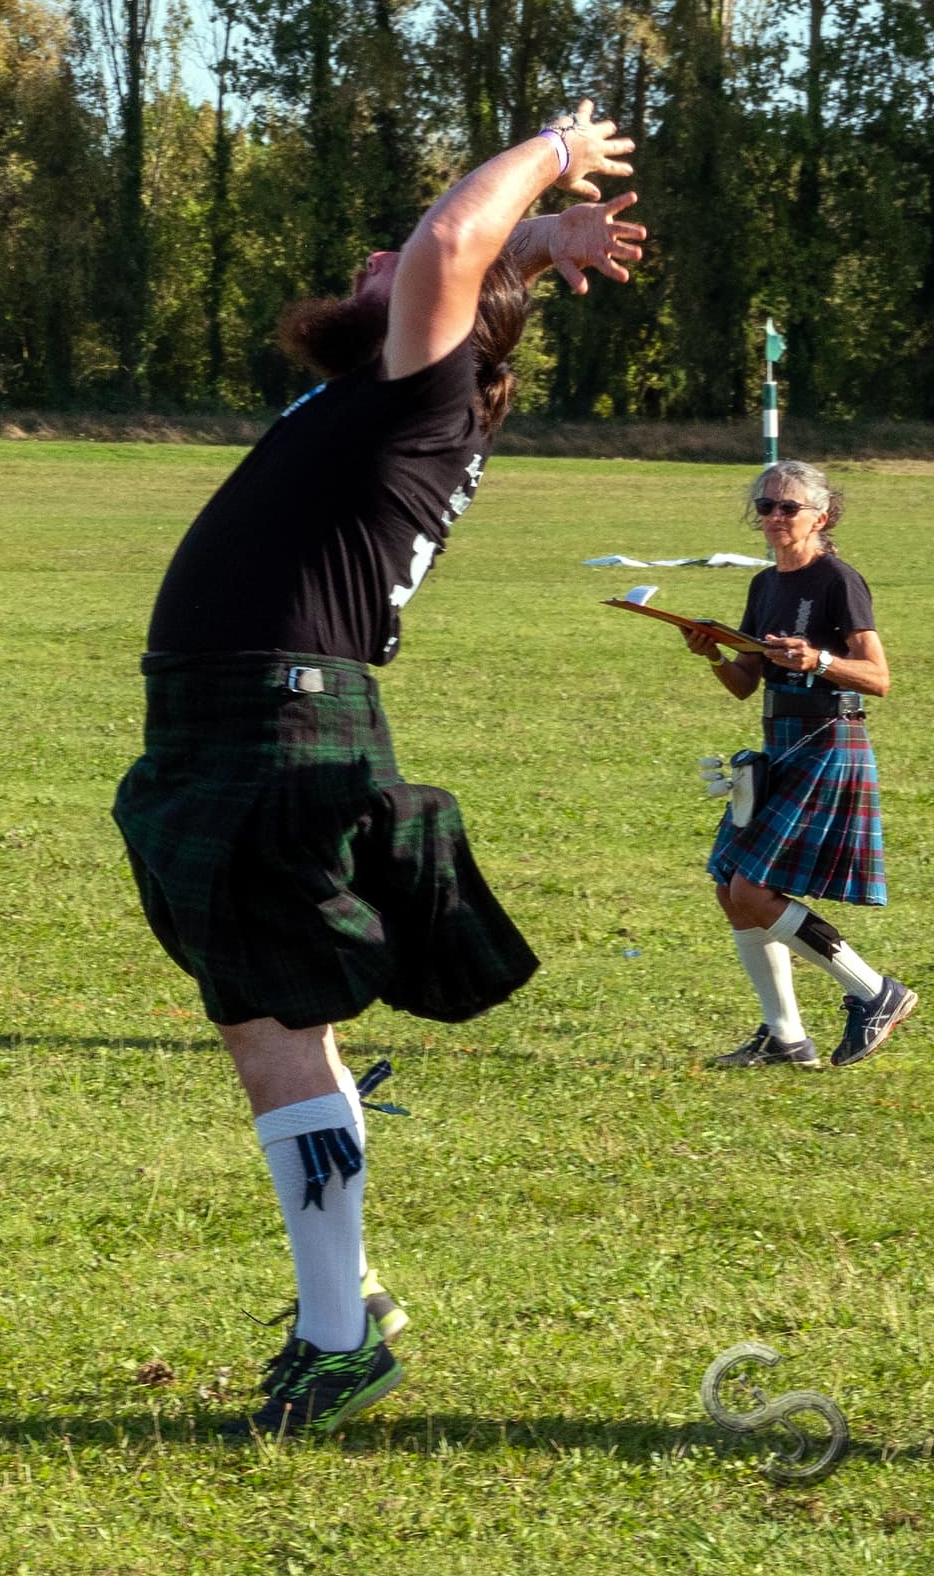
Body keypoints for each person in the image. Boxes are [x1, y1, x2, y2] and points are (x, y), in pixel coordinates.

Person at [119, 104, 649, 1438]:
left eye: (396, 262)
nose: (380, 257)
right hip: (251, 717)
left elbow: (450, 243)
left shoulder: (424, 380)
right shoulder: (400, 390)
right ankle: (340, 1303)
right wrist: (543, 244)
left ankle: (339, 1332)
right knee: (276, 1026)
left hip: (277, 721)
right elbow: (463, 254)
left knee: (271, 1031)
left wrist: (550, 155)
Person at [698, 461, 910, 1070]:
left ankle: (874, 991)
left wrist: (816, 659)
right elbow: (745, 681)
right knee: (729, 886)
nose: (773, 518)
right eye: (765, 506)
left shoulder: (838, 580)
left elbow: (879, 678)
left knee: (752, 888)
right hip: (780, 737)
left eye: (787, 508)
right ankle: (785, 1036)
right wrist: (711, 652)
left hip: (829, 739)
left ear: (821, 515)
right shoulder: (764, 585)